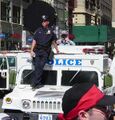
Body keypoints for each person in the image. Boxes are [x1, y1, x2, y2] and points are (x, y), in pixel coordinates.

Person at [30, 15, 59, 89]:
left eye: (44, 21)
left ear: (48, 22)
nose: (43, 22)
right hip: (37, 51)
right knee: (37, 67)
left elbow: (53, 41)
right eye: (42, 21)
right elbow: (34, 41)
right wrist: (31, 50)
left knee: (40, 67)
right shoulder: (38, 30)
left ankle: (35, 83)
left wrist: (57, 49)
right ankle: (35, 83)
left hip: (45, 52)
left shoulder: (51, 31)